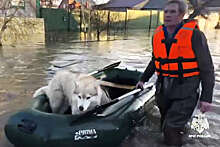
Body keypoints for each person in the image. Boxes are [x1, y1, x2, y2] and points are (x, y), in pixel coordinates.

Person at [136, 0, 215, 146]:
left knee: (170, 128)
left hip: (186, 88)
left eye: (172, 12)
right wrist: (143, 79)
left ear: (182, 15)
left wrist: (206, 97)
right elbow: (155, 60)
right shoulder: (158, 34)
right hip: (163, 88)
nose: (167, 15)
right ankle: (180, 139)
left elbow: (207, 68)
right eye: (166, 12)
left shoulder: (196, 36)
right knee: (165, 123)